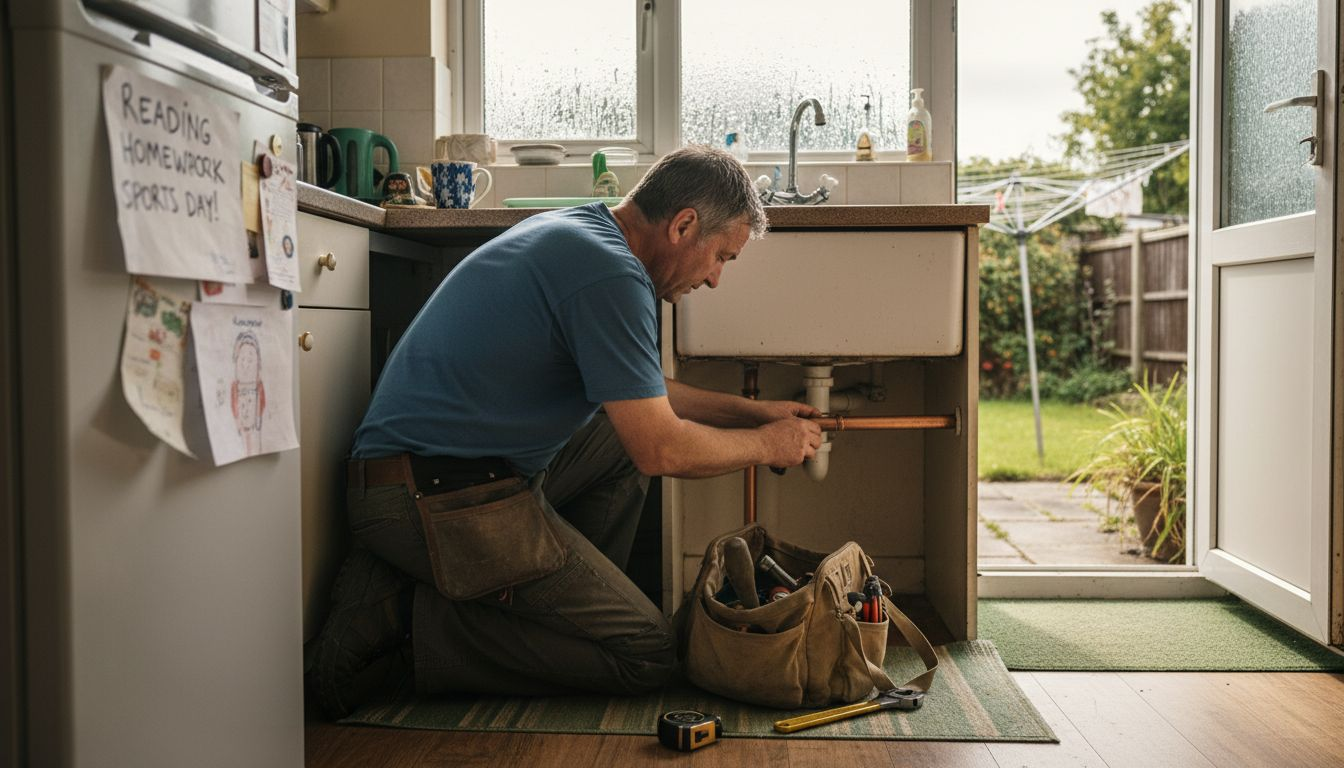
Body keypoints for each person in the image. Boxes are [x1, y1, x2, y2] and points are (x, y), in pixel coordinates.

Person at [307, 146, 823, 718]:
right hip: (427, 498)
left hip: (444, 475)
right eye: (720, 257)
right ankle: (408, 623)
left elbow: (642, 392)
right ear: (683, 225)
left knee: (616, 441)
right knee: (646, 655)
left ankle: (554, 611)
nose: (716, 279)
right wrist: (769, 445)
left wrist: (753, 413)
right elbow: (660, 447)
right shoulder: (611, 275)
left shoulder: (588, 233)